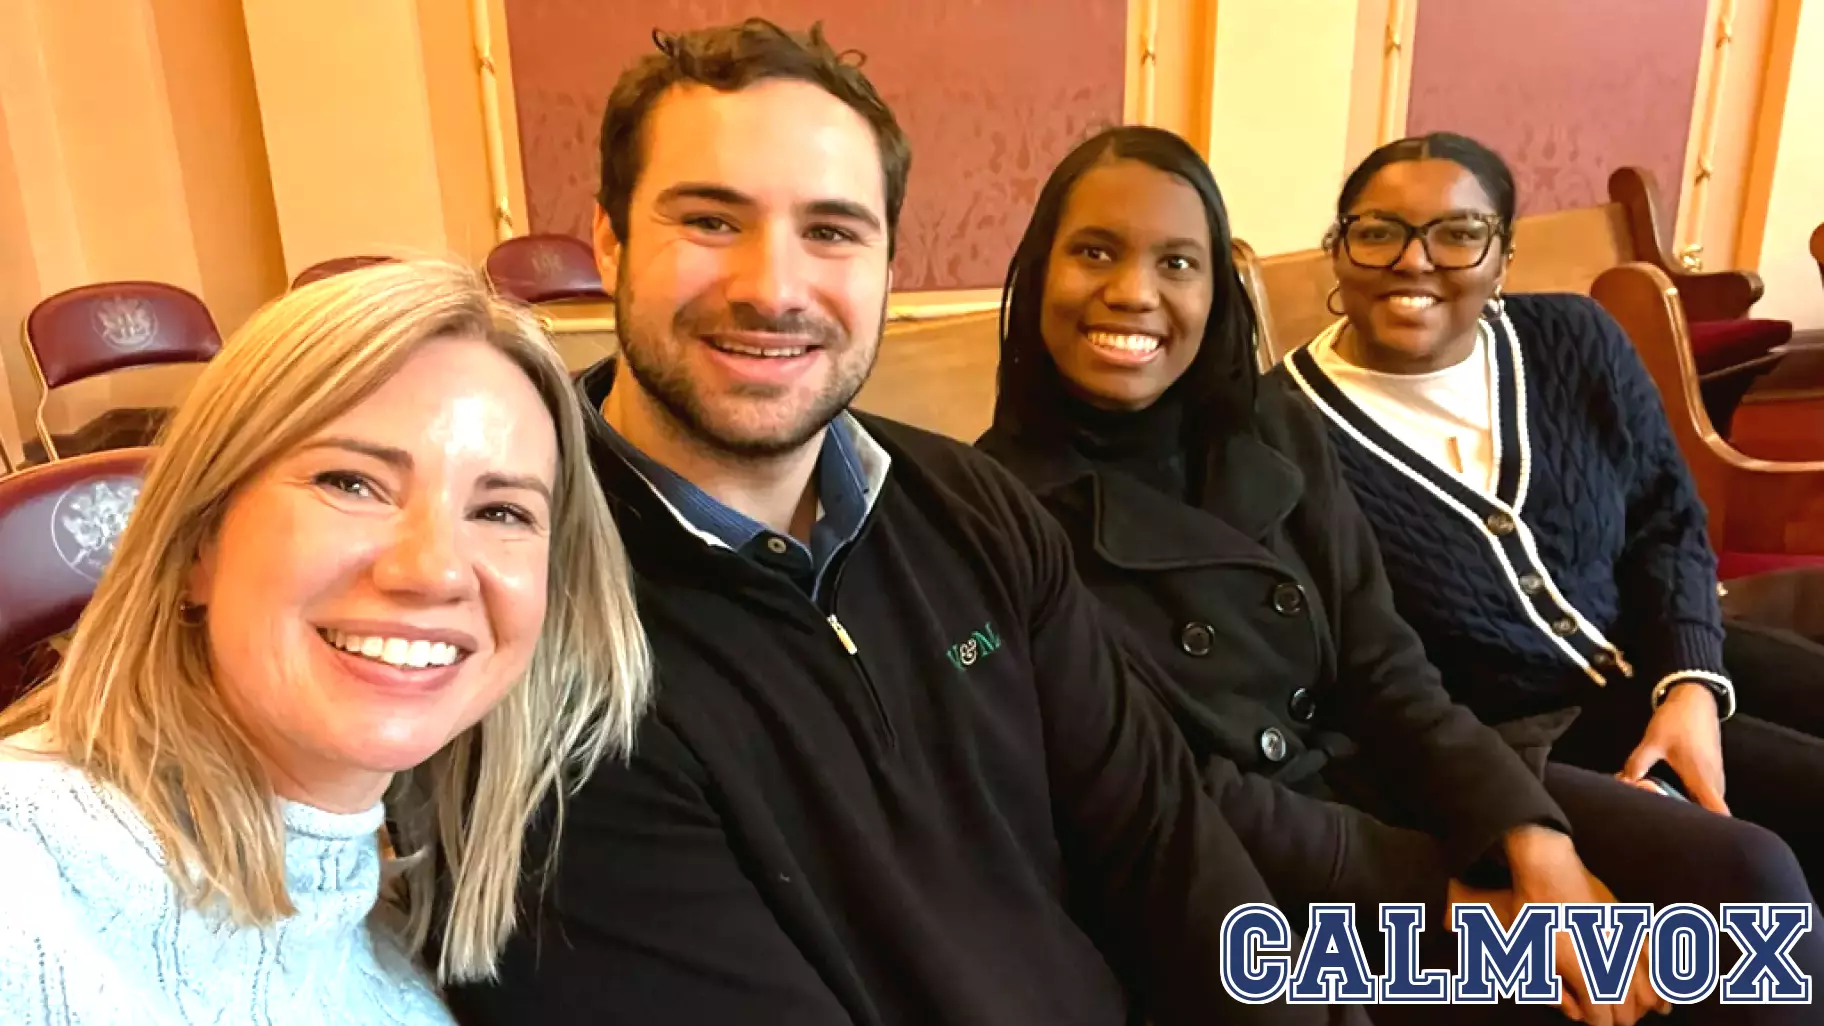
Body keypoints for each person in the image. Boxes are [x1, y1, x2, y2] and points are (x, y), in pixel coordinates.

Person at [444, 19, 1364, 1026]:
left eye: (833, 231)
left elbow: (1168, 852)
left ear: (889, 264)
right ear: (612, 240)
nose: (774, 288)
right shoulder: (521, 621)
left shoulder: (973, 508)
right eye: (710, 220)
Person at [975, 123, 1823, 1026]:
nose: (1134, 291)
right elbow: (1172, 792)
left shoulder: (1263, 431)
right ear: (1038, 273)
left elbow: (1383, 664)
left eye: (1177, 262)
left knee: (1740, 888)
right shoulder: (993, 513)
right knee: (1643, 965)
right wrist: (1451, 898)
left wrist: (1528, 837)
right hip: (1252, 885)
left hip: (1392, 789)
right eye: (1094, 252)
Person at [0, 259, 653, 1025]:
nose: (435, 570)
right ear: (198, 540)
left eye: (502, 512)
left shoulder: (401, 911)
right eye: (350, 483)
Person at [1277, 132, 1824, 893]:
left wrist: (1691, 684)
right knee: (1767, 858)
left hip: (1664, 649)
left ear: (1502, 258)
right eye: (1378, 233)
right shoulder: (1279, 431)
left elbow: (1666, 520)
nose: (1414, 260)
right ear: (1338, 251)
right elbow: (1364, 674)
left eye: (1459, 234)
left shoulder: (1573, 338)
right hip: (1516, 742)